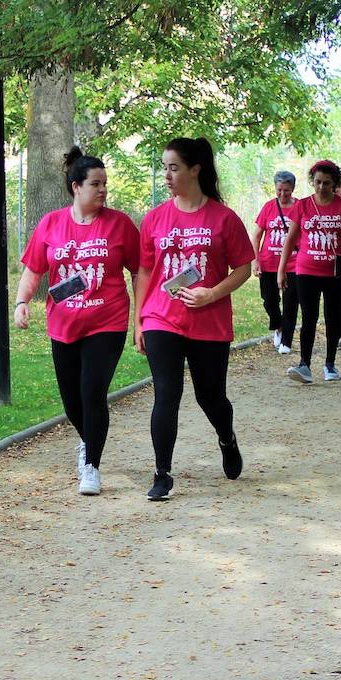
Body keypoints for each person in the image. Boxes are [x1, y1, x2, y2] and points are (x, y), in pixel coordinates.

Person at [133, 137, 254, 500]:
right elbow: (143, 271)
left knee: (210, 396)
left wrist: (211, 293)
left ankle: (226, 439)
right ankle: (162, 473)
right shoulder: (154, 217)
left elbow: (244, 267)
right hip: (161, 317)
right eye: (164, 167)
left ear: (195, 170)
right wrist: (138, 320)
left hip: (209, 321)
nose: (166, 175)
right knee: (167, 394)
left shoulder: (223, 218)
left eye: (174, 168)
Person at [15, 147, 141, 496]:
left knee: (92, 391)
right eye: (95, 184)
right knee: (71, 400)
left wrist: (141, 319)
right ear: (76, 187)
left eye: (105, 184)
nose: (103, 190)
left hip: (108, 318)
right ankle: (89, 439)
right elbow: (33, 270)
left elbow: (139, 271)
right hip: (64, 324)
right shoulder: (51, 223)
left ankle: (91, 465)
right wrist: (21, 302)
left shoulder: (120, 224)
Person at [277, 159, 341, 384]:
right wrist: (281, 269)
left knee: (333, 317)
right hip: (306, 270)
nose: (321, 187)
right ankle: (304, 364)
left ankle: (330, 363)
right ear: (311, 182)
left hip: (335, 271)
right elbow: (290, 239)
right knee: (309, 317)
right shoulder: (303, 205)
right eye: (317, 182)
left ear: (334, 183)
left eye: (326, 183)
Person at [252, 170, 300, 355]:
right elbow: (256, 235)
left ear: (293, 189)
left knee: (290, 303)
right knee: (269, 301)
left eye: (286, 190)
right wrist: (255, 260)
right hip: (269, 262)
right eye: (279, 190)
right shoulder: (268, 207)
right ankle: (278, 325)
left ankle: (286, 341)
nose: (282, 194)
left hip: (293, 264)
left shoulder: (300, 207)